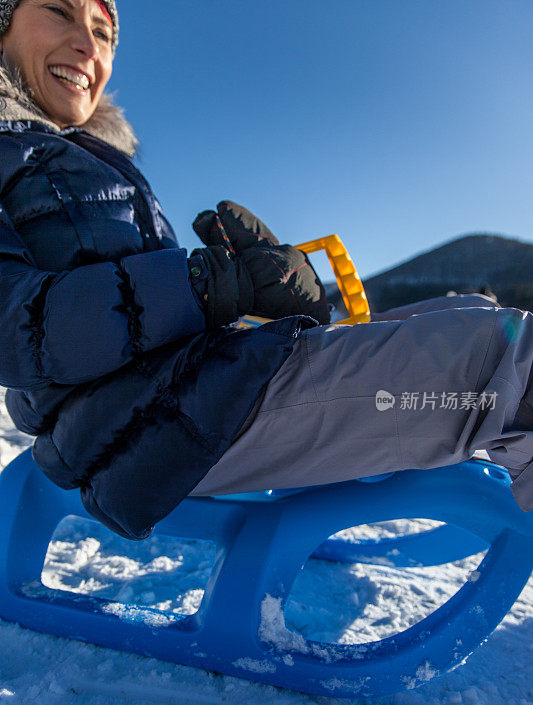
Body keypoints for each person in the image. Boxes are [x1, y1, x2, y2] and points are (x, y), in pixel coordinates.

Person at [0, 0, 531, 543]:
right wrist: (204, 286)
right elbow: (14, 331)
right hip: (154, 432)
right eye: (59, 12)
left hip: (193, 395)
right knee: (499, 362)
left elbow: (147, 325)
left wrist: (258, 299)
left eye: (103, 32)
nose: (89, 46)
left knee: (476, 315)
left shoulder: (95, 162)